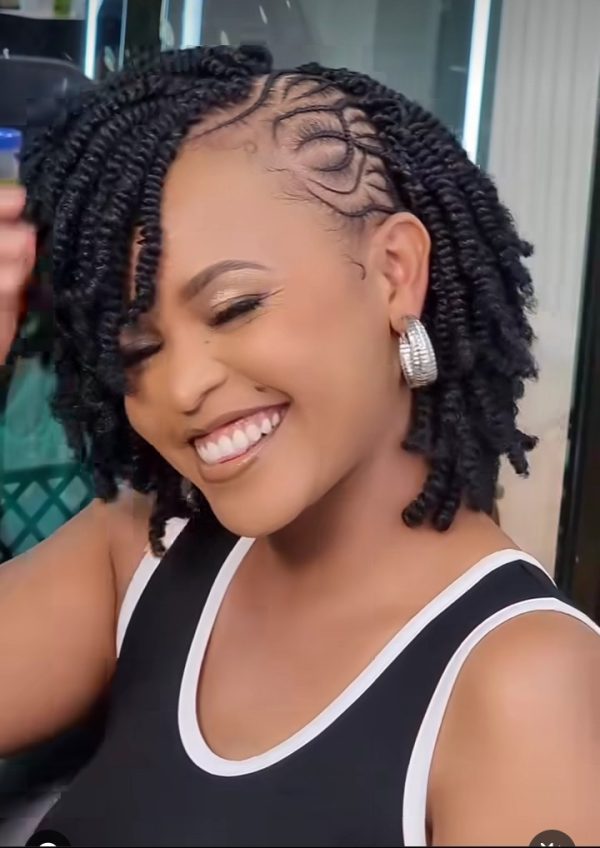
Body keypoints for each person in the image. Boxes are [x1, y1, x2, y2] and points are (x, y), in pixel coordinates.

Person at [0, 44, 599, 847]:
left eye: (235, 307)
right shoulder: (143, 559)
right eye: (138, 350)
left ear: (395, 272)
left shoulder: (525, 683)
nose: (181, 387)